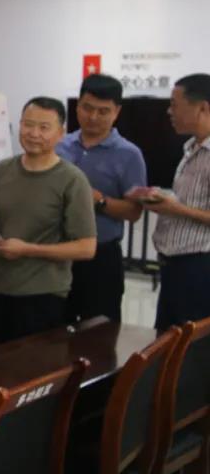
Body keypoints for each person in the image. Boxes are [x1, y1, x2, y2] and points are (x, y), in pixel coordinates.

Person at [0, 97, 96, 348]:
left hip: (43, 295)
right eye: (28, 125)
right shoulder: (2, 171)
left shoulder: (72, 180)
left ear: (61, 133)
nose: (34, 133)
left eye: (44, 127)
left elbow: (86, 247)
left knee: (33, 368)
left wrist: (28, 249)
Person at [56, 74, 146, 323]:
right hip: (56, 253)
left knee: (98, 333)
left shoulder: (129, 154)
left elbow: (134, 212)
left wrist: (98, 200)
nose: (93, 117)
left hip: (101, 258)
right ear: (77, 106)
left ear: (117, 112)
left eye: (103, 111)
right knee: (53, 330)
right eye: (87, 108)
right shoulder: (59, 146)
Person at [145, 73, 210, 329]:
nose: (169, 111)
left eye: (174, 104)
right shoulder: (191, 148)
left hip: (199, 266)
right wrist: (162, 201)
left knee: (191, 344)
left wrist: (174, 208)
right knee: (168, 340)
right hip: (174, 265)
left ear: (203, 108)